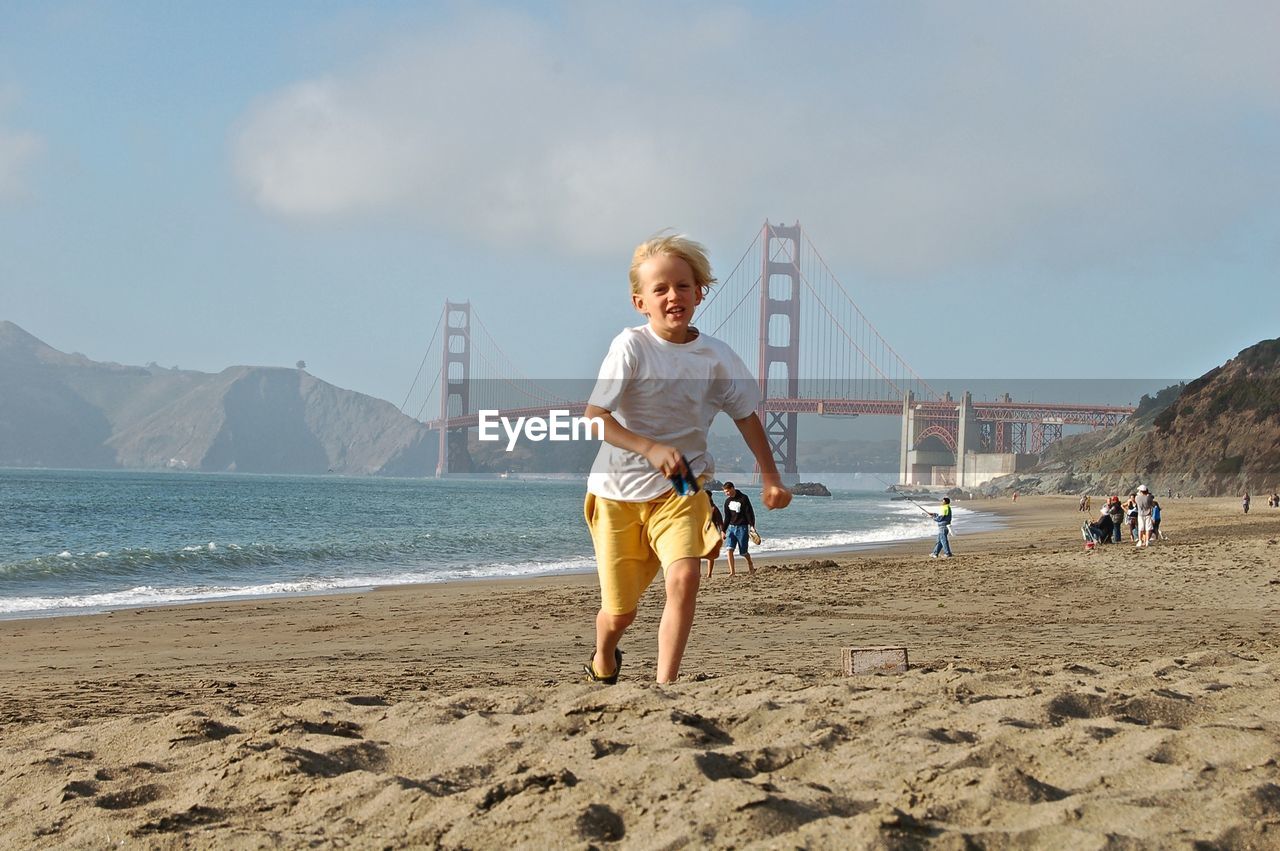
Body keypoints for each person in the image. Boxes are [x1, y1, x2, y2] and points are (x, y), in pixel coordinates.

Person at [582, 232, 792, 685]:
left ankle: (665, 687)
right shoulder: (630, 348)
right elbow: (595, 418)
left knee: (685, 579)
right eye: (660, 289)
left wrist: (771, 477)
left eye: (682, 285)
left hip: (681, 488)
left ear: (700, 292)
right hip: (617, 493)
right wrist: (650, 447)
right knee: (620, 613)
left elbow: (747, 417)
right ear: (641, 303)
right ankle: (604, 652)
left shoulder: (717, 358)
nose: (672, 296)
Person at [721, 481, 757, 576]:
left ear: (733, 488)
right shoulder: (727, 501)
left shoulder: (743, 498)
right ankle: (732, 572)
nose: (726, 493)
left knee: (743, 552)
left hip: (742, 528)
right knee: (729, 549)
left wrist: (752, 526)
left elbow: (749, 513)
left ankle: (750, 563)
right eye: (725, 492)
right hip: (731, 528)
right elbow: (727, 517)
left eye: (727, 491)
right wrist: (723, 530)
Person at [703, 489, 725, 578]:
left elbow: (720, 522)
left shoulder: (714, 508)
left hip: (712, 533)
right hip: (701, 533)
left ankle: (709, 573)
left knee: (710, 554)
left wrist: (723, 531)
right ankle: (698, 573)